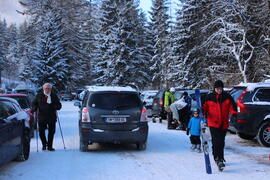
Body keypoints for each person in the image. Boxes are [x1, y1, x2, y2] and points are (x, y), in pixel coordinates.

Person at [202, 80, 237, 169]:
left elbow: (233, 107)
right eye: (217, 89)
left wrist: (233, 114)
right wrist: (203, 113)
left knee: (221, 141)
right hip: (213, 122)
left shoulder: (227, 97)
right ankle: (217, 158)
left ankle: (221, 157)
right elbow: (204, 107)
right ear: (214, 89)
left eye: (220, 89)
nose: (219, 90)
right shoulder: (209, 97)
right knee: (216, 141)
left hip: (224, 123)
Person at [32, 83, 62, 151]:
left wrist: (56, 106)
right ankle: (44, 144)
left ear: (51, 89)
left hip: (51, 117)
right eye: (46, 88)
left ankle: (50, 146)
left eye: (49, 88)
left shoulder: (54, 96)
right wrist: (34, 108)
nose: (47, 90)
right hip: (42, 117)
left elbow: (59, 105)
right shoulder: (39, 96)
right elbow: (34, 103)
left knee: (51, 132)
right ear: (43, 89)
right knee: (41, 132)